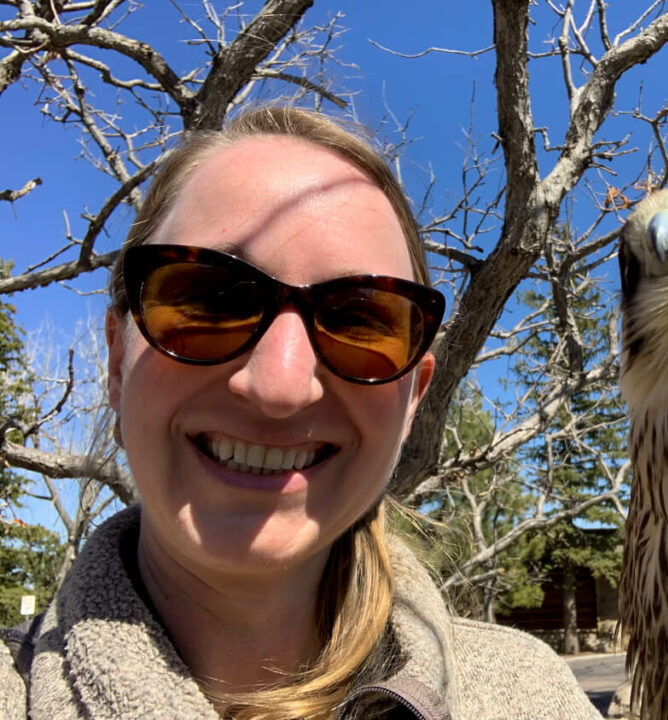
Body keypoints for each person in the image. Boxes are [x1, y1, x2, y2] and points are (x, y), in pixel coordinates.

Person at [0, 107, 602, 719]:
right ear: (115, 360)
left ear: (414, 398)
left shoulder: (533, 696)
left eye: (361, 319)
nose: (280, 387)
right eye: (210, 297)